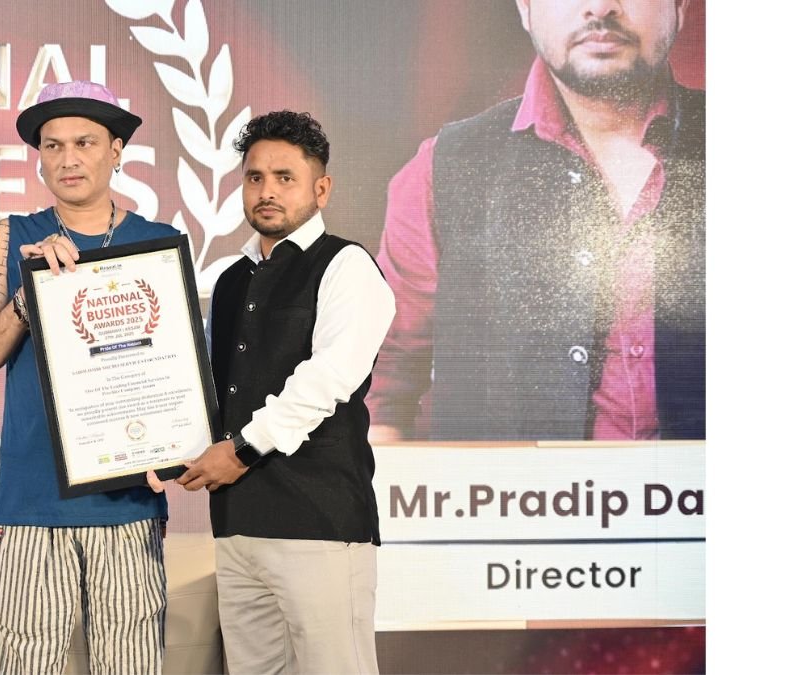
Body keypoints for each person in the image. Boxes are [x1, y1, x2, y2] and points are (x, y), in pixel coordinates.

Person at [367, 0, 704, 442]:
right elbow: (380, 393)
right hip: (503, 488)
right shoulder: (444, 170)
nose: (601, 7)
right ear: (525, 8)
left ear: (679, 6)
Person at [0, 81, 177, 675]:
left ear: (116, 150)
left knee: (131, 666)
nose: (68, 158)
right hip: (32, 502)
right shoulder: (13, 236)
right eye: (52, 146)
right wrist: (29, 295)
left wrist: (177, 448)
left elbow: (174, 374)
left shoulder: (158, 242)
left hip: (128, 505)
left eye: (84, 142)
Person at [176, 110, 394, 674]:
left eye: (285, 177)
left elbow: (328, 378)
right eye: (255, 178)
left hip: (319, 523)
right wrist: (163, 449)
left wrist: (240, 451)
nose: (266, 191)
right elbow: (213, 392)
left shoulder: (347, 266)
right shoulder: (230, 281)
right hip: (237, 525)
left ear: (321, 189)